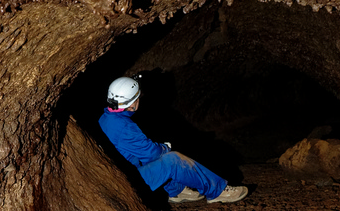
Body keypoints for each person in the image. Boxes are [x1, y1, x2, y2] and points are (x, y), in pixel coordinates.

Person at [98, 76, 248, 204]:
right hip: (129, 182)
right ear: (132, 103)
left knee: (148, 154)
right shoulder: (124, 126)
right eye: (138, 97)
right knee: (172, 159)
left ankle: (176, 190)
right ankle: (217, 191)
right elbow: (151, 154)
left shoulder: (105, 119)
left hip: (118, 176)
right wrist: (165, 148)